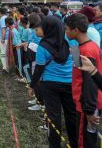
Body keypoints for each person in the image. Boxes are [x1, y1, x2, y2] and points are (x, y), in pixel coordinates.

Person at [27, 16, 77, 147]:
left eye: (42, 26)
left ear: (49, 29)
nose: (40, 29)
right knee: (71, 115)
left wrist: (32, 86)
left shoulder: (42, 46)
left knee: (53, 117)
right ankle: (75, 143)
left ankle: (54, 145)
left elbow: (39, 68)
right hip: (70, 83)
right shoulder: (72, 41)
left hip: (49, 85)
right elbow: (78, 62)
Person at [65, 13, 102, 148]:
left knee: (85, 141)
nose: (65, 31)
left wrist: (89, 110)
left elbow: (90, 82)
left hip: (86, 105)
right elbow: (79, 71)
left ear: (75, 30)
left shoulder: (88, 51)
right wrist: (75, 53)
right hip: (82, 103)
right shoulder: (82, 47)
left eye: (67, 29)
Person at [0, 7, 9, 73]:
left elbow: (3, 29)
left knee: (3, 53)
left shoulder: (2, 19)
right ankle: (6, 67)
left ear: (0, 12)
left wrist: (3, 39)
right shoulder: (5, 17)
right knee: (4, 53)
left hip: (3, 38)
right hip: (5, 38)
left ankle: (5, 69)